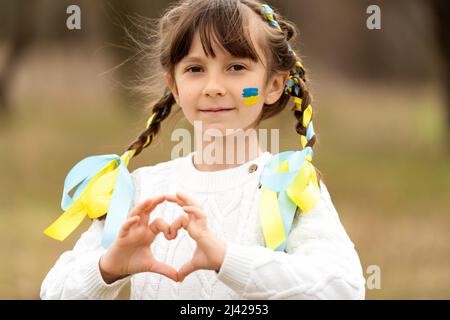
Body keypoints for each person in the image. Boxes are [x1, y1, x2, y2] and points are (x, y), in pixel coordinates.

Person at [40, 0, 366, 300]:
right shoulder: (139, 191)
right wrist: (108, 266)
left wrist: (227, 259)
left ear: (273, 86)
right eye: (195, 69)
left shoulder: (288, 187)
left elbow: (345, 288)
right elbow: (53, 292)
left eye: (236, 67)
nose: (213, 88)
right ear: (175, 86)